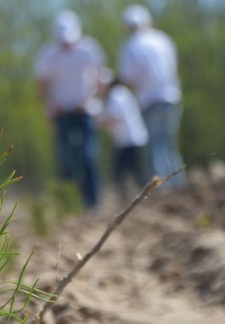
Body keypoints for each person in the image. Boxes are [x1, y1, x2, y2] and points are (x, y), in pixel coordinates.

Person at [34, 10, 107, 210]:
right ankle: (68, 204)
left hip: (86, 110)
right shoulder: (48, 55)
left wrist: (90, 98)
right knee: (65, 158)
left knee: (89, 155)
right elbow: (41, 86)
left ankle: (93, 203)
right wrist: (50, 105)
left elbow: (101, 79)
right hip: (61, 113)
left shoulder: (89, 49)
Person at [118, 4, 186, 188]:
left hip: (150, 100)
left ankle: (162, 188)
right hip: (172, 97)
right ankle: (179, 185)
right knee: (169, 144)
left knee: (155, 146)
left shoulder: (131, 45)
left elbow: (128, 79)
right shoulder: (163, 39)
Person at [99, 73, 150, 202]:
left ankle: (135, 198)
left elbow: (114, 118)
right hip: (131, 139)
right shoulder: (122, 93)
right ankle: (140, 197)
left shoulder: (116, 95)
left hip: (128, 140)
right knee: (134, 171)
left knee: (122, 172)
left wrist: (99, 123)